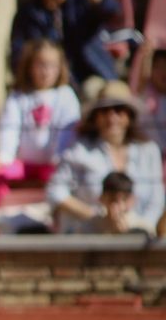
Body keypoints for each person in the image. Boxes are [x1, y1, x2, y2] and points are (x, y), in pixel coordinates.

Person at [47, 80, 165, 231]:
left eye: (119, 110)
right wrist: (96, 217)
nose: (112, 117)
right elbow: (55, 192)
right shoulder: (79, 150)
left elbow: (156, 201)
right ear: (95, 117)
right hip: (90, 239)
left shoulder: (149, 151)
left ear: (129, 115)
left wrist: (135, 226)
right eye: (105, 111)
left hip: (140, 240)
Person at [0, 38, 81, 208]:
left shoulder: (66, 96)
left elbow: (67, 132)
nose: (45, 72)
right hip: (23, 165)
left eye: (51, 66)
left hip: (52, 165)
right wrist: (4, 156)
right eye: (40, 65)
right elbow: (9, 128)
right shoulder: (18, 96)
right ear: (30, 67)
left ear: (60, 68)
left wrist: (58, 159)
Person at [9, 0, 120, 84]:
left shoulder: (83, 0)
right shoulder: (28, 14)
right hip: (49, 88)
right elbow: (18, 59)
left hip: (93, 78)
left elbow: (112, 13)